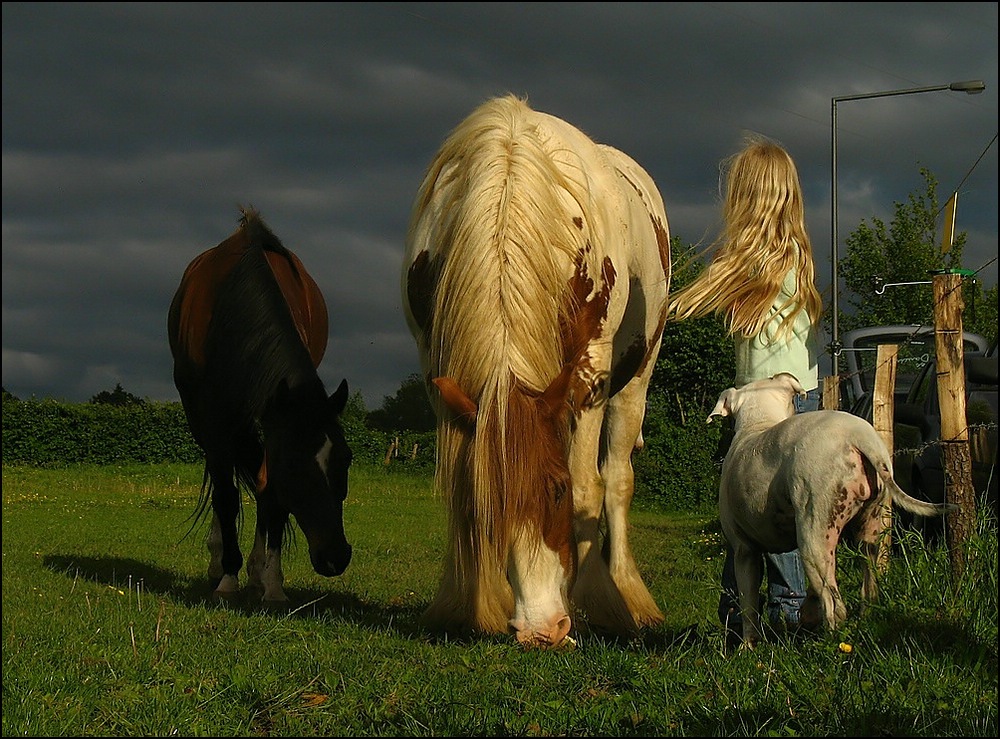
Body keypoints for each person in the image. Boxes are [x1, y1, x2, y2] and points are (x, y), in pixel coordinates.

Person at [667, 135, 823, 643]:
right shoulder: (793, 255)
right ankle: (745, 617)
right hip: (794, 397)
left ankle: (777, 617)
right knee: (766, 509)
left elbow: (693, 299)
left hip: (773, 403)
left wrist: (655, 306)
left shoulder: (757, 261)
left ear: (750, 199)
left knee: (762, 509)